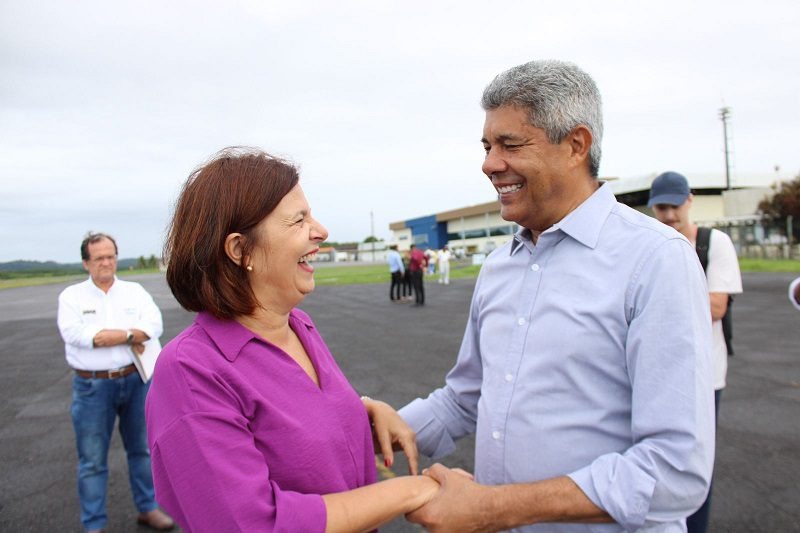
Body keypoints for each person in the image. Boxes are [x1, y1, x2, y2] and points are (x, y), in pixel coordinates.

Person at [400, 59, 715, 532]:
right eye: (487, 146)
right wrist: (377, 426)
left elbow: (674, 471)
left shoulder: (655, 260)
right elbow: (465, 399)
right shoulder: (498, 266)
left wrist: (490, 508)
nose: (489, 164)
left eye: (510, 144)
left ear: (576, 145)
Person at [145, 147, 438, 532]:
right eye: (299, 220)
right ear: (239, 249)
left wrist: (363, 409)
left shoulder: (299, 326)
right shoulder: (190, 370)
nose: (321, 230)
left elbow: (290, 425)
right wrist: (414, 491)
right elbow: (253, 524)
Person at [57, 232, 174, 533]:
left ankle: (148, 508)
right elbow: (77, 336)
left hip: (136, 380)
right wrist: (130, 334)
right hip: (92, 387)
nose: (106, 263)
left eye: (111, 256)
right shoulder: (72, 297)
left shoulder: (134, 292)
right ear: (86, 263)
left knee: (142, 450)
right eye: (99, 258)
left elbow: (154, 325)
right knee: (93, 459)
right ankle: (94, 524)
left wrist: (112, 335)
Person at [648, 170, 742, 533]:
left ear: (689, 201)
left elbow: (717, 307)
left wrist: (655, 305)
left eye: (674, 205)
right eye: (661, 207)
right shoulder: (652, 242)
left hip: (706, 374)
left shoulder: (712, 243)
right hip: (656, 370)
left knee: (693, 467)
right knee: (653, 462)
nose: (669, 215)